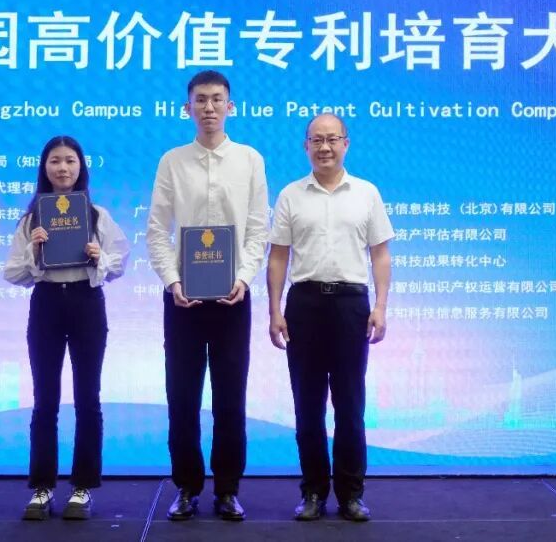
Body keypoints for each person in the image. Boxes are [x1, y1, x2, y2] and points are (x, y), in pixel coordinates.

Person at [146, 70, 269, 521]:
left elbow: (258, 228)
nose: (210, 107)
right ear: (188, 108)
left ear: (230, 106)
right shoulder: (172, 161)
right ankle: (187, 487)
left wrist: (245, 277)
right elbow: (157, 229)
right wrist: (172, 281)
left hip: (233, 297)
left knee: (230, 399)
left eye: (218, 99)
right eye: (201, 100)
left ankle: (228, 490)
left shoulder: (250, 160)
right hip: (183, 299)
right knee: (182, 398)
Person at [266, 113, 393, 522]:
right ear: (306, 146)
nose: (325, 147)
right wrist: (274, 310)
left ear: (345, 144)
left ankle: (352, 494)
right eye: (317, 140)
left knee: (350, 405)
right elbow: (278, 257)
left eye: (332, 139)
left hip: (351, 305)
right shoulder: (291, 195)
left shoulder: (367, 193)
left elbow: (380, 254)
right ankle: (313, 493)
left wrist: (380, 306)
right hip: (304, 305)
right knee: (307, 406)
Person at [4, 135, 129, 521]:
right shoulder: (31, 219)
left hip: (86, 303)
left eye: (70, 160)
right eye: (55, 161)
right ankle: (42, 487)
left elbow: (120, 263)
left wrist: (99, 256)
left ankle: (82, 487)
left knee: (88, 397)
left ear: (81, 167)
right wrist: (34, 251)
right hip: (46, 304)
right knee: (45, 399)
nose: (62, 168)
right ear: (44, 168)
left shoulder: (97, 215)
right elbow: (13, 273)